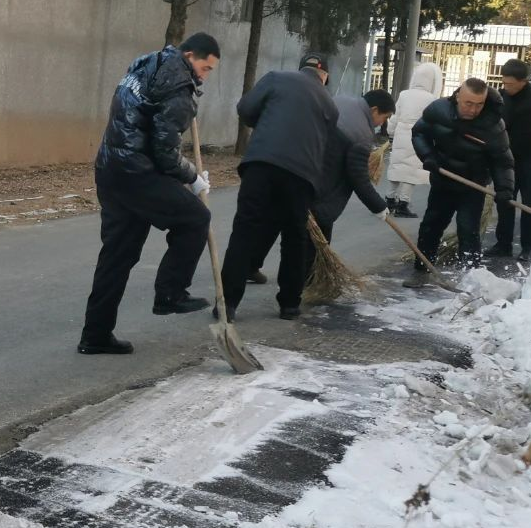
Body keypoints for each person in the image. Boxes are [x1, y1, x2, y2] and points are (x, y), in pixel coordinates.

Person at [78, 33, 220, 355]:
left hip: (110, 167)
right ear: (190, 56)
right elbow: (165, 151)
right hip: (137, 173)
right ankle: (170, 293)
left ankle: (95, 335)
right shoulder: (179, 85)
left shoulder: (146, 64)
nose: (205, 76)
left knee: (117, 256)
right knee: (196, 218)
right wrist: (193, 177)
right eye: (206, 68)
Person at [219, 53, 338, 321]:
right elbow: (327, 142)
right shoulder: (329, 104)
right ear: (324, 76)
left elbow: (245, 109)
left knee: (245, 229)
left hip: (261, 164)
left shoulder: (276, 78)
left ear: (301, 68)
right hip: (301, 175)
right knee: (294, 236)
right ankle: (289, 304)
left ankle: (228, 303)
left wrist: (265, 123)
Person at [409, 78, 515, 280]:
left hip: (473, 186)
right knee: (431, 226)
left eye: (479, 104)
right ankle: (422, 269)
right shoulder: (439, 110)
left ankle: (470, 276)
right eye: (468, 103)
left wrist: (505, 189)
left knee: (468, 231)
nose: (473, 110)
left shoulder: (493, 125)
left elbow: (502, 161)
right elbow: (419, 133)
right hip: (443, 180)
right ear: (458, 96)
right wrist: (428, 156)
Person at [305, 90, 395, 281]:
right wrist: (378, 206)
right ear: (374, 110)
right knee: (315, 238)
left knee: (278, 228)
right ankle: (307, 281)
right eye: (385, 117)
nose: (383, 123)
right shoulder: (361, 135)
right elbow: (358, 177)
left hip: (300, 169)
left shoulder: (339, 99)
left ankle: (253, 266)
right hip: (321, 190)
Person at [488, 58, 531, 262]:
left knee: (529, 202)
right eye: (504, 83)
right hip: (508, 159)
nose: (506, 87)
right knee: (505, 200)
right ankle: (503, 244)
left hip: (529, 159)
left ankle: (529, 247)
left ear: (523, 81)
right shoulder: (503, 95)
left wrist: (495, 149)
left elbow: (517, 138)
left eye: (511, 84)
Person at [385, 61, 444, 218]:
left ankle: (389, 199)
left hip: (400, 134)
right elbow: (433, 121)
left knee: (396, 167)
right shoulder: (431, 98)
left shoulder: (404, 94)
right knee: (410, 171)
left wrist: (391, 133)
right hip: (418, 136)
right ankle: (403, 204)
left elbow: (395, 116)